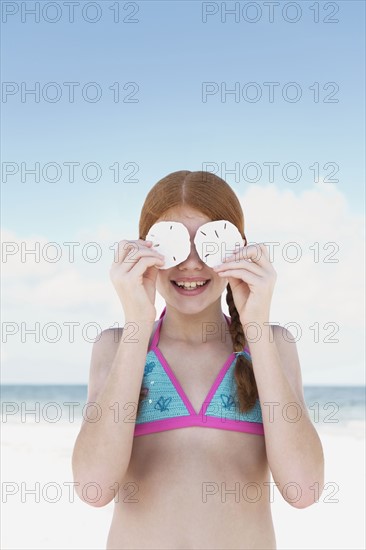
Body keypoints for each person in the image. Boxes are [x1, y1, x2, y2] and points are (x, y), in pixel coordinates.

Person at [72, 170, 324, 549]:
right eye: (172, 244)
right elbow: (94, 486)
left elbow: (303, 488)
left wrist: (255, 324)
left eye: (208, 243)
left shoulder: (271, 345)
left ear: (238, 249)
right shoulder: (117, 347)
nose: (190, 263)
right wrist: (137, 325)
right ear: (144, 250)